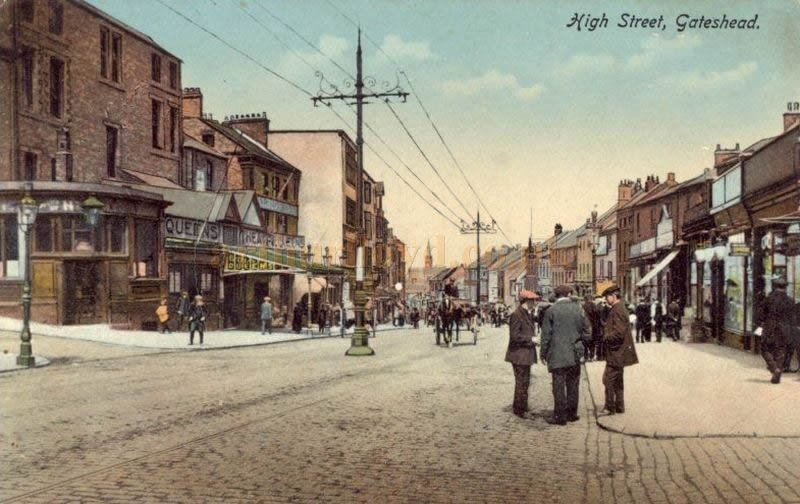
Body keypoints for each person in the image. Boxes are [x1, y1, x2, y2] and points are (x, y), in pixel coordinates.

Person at [541, 285, 591, 425]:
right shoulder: (579, 309)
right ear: (568, 294)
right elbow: (588, 332)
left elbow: (546, 336)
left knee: (558, 385)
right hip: (575, 353)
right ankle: (571, 414)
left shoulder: (551, 311)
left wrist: (543, 353)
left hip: (557, 353)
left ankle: (560, 416)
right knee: (573, 383)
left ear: (557, 295)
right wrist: (580, 344)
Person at [601, 284, 638, 414]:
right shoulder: (619, 308)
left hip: (616, 352)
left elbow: (619, 333)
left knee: (608, 379)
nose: (606, 299)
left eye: (607, 297)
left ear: (613, 296)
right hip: (619, 352)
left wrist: (606, 337)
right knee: (618, 380)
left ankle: (609, 407)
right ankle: (619, 406)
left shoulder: (617, 310)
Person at [505, 289, 539, 418]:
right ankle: (520, 410)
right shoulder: (517, 314)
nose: (534, 303)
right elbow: (515, 336)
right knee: (521, 382)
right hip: (519, 355)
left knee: (525, 382)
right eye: (533, 301)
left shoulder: (527, 314)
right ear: (526, 301)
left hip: (525, 354)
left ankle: (522, 406)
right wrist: (531, 339)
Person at [759, 277, 793, 384]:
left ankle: (774, 369)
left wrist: (762, 321)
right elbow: (793, 317)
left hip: (770, 327)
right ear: (785, 287)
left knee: (765, 348)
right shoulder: (790, 300)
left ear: (774, 286)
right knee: (781, 350)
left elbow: (761, 314)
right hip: (784, 329)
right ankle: (778, 369)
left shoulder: (769, 299)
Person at [582, 295, 597, 361]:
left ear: (585, 299)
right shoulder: (594, 305)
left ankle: (585, 356)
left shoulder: (583, 306)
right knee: (592, 342)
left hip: (585, 326)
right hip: (593, 326)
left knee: (585, 342)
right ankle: (591, 356)